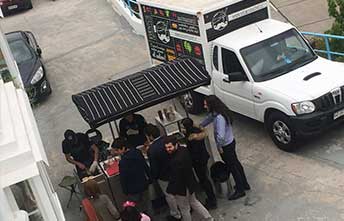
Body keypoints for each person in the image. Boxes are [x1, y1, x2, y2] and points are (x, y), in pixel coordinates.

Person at [200, 95, 250, 200]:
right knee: (236, 163)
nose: (204, 106)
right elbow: (209, 118)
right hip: (230, 142)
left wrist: (219, 146)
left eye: (206, 104)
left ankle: (240, 189)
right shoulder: (218, 113)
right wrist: (201, 125)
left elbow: (221, 136)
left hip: (226, 146)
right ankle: (244, 183)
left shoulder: (219, 118)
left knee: (232, 167)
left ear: (211, 105)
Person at [164, 135, 213, 221]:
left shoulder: (175, 161)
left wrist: (170, 190)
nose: (168, 149)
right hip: (190, 183)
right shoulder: (184, 150)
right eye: (166, 147)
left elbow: (175, 179)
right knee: (194, 202)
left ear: (176, 145)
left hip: (181, 189)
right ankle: (209, 218)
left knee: (184, 209)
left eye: (170, 147)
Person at [144, 124, 182, 221]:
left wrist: (154, 177)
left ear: (150, 136)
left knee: (170, 195)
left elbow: (154, 167)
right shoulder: (169, 140)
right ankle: (184, 208)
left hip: (164, 176)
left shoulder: (152, 149)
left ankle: (175, 214)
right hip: (176, 170)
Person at [181, 118, 217, 210]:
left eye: (183, 127)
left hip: (198, 161)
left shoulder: (192, 137)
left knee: (204, 179)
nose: (182, 129)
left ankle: (212, 200)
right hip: (203, 158)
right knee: (204, 177)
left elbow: (193, 151)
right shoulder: (197, 131)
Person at [111, 138, 151, 214]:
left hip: (132, 190)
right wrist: (150, 178)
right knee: (148, 205)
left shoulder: (123, 162)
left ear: (123, 148)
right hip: (144, 184)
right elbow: (145, 166)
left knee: (137, 210)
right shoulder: (137, 152)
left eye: (117, 150)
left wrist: (125, 191)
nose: (116, 152)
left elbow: (123, 178)